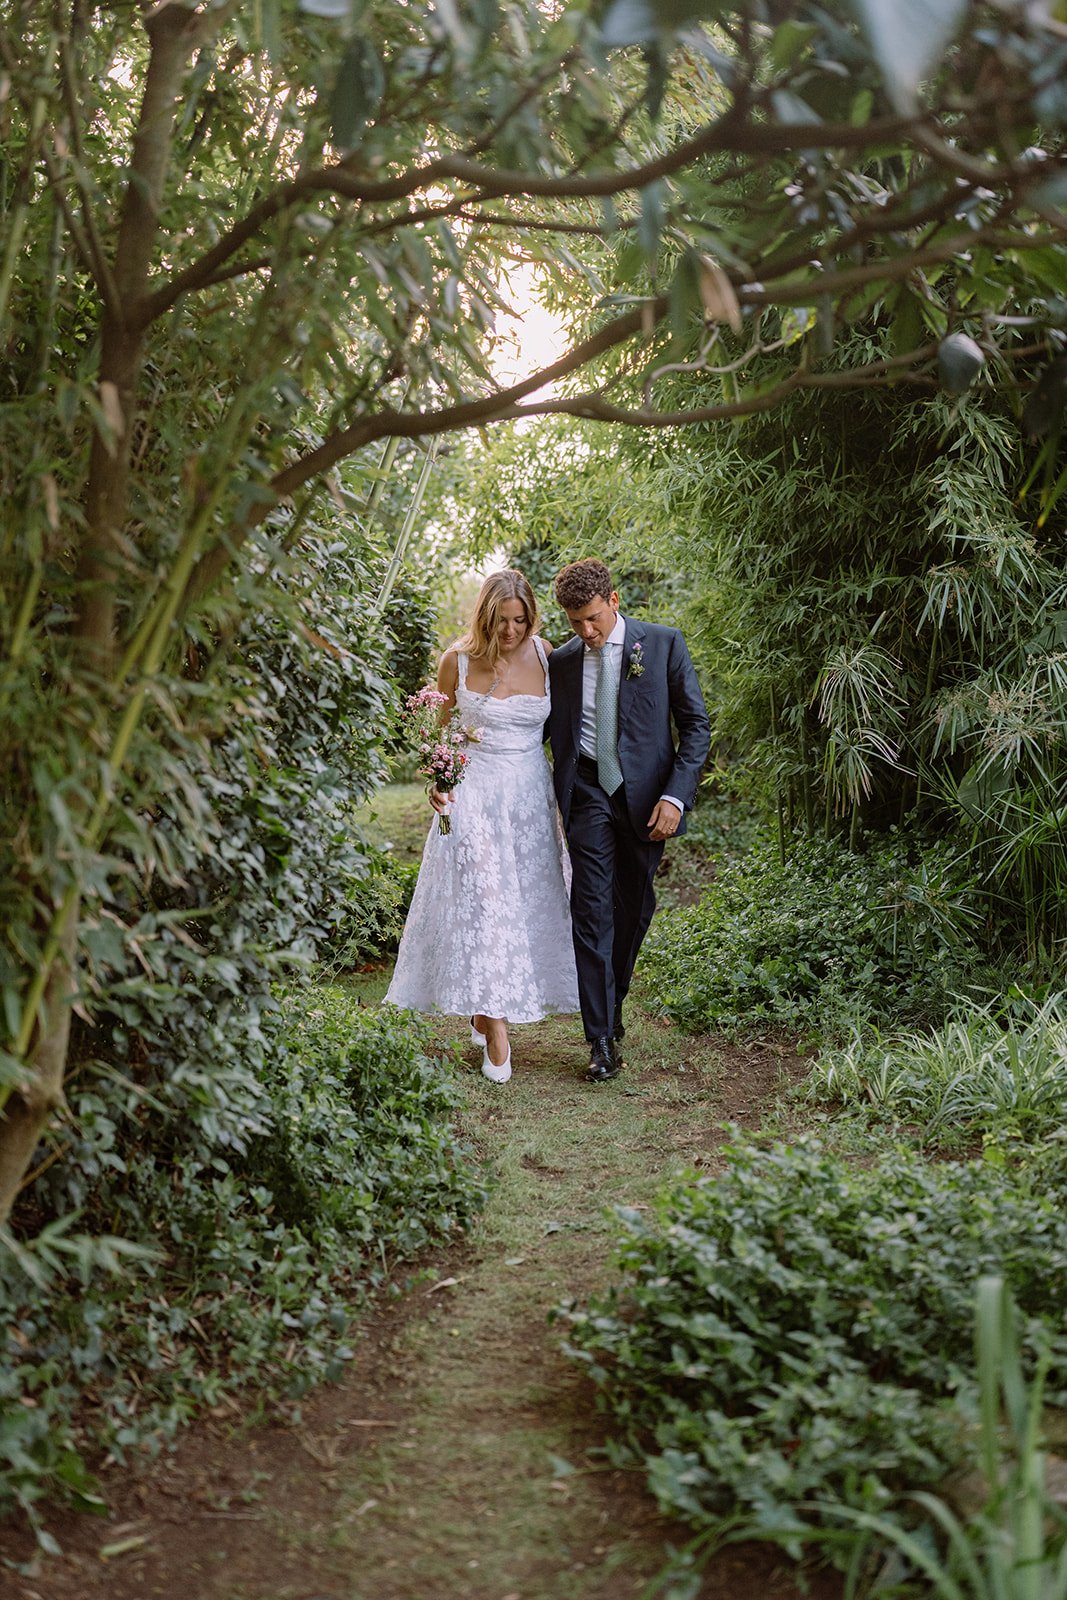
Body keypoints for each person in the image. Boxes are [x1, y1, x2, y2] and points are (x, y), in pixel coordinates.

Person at [385, 570, 579, 1083]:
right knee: (486, 904)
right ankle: (496, 1030)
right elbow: (437, 736)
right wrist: (438, 781)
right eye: (502, 620)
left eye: (521, 620)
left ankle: (485, 1007)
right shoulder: (457, 661)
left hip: (528, 801)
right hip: (473, 797)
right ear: (484, 616)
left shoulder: (546, 655)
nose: (512, 630)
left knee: (522, 906)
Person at [547, 559, 710, 1083]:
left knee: (635, 906)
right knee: (591, 908)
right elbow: (542, 730)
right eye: (574, 623)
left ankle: (613, 1006)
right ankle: (599, 1038)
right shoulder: (565, 661)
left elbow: (696, 728)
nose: (585, 632)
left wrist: (675, 797)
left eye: (592, 619)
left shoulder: (662, 645)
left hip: (646, 803)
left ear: (613, 602)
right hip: (589, 791)